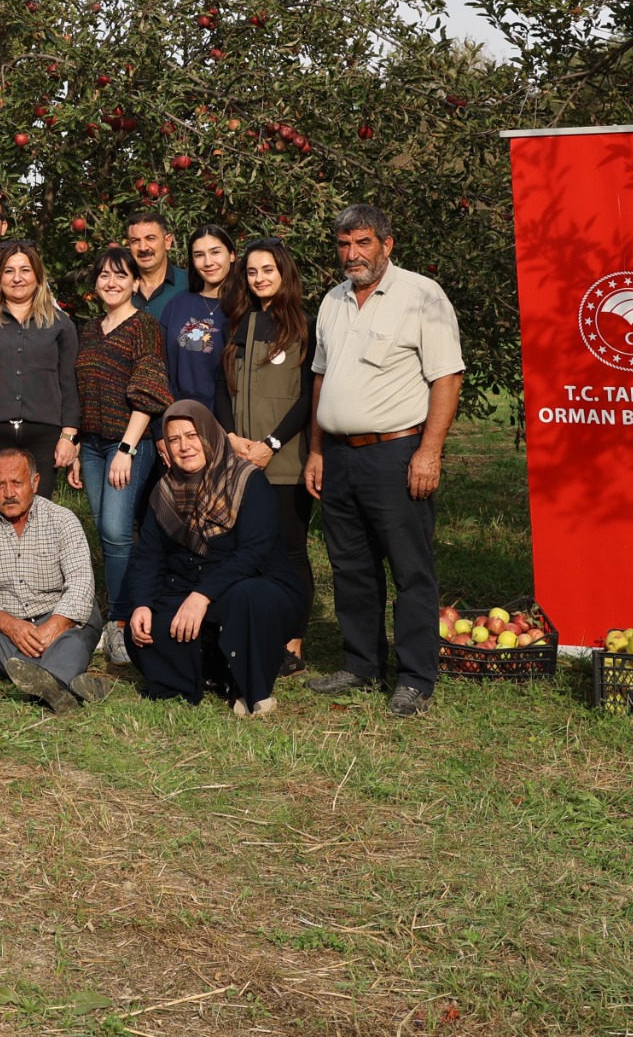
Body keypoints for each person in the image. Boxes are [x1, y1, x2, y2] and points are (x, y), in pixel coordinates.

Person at [303, 203, 464, 718]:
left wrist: (429, 452)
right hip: (341, 457)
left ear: (387, 244)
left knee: (410, 569)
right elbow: (321, 380)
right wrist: (315, 450)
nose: (352, 254)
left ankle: (416, 676)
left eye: (363, 243)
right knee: (351, 566)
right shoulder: (332, 300)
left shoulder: (421, 295)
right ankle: (362, 663)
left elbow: (447, 378)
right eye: (344, 244)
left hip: (397, 451)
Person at [119, 400, 306, 713]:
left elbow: (253, 554)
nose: (185, 447)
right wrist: (141, 604)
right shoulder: (163, 491)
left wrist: (201, 596)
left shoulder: (247, 480)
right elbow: (149, 557)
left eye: (192, 435)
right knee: (143, 629)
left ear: (208, 434)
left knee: (247, 598)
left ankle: (251, 688)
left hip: (252, 583)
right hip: (188, 585)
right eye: (175, 439)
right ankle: (209, 676)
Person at [214, 238, 318, 673]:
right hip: (240, 461)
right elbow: (222, 388)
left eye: (268, 270)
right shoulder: (239, 321)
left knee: (290, 550)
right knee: (248, 550)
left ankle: (293, 642)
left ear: (285, 273)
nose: (259, 278)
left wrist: (272, 444)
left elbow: (308, 397)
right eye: (253, 271)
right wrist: (233, 438)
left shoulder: (305, 324)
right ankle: (261, 635)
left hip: (286, 460)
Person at [67, 246, 173, 662]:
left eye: (121, 276)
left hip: (128, 443)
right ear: (95, 284)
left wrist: (127, 449)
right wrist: (76, 447)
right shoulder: (88, 330)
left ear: (134, 283)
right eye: (104, 276)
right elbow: (78, 390)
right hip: (92, 445)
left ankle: (121, 623)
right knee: (106, 533)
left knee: (115, 530)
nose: (112, 283)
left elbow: (149, 392)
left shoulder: (144, 326)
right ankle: (114, 615)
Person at [0, 447, 107, 713]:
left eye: (17, 483)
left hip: (62, 617)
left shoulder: (63, 520)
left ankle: (42, 683)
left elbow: (81, 583)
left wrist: (56, 625)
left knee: (75, 635)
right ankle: (67, 685)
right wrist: (11, 626)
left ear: (35, 483)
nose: (9, 493)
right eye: (0, 485)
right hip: (10, 624)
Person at [0, 240, 81, 500]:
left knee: (37, 513)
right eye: (9, 271)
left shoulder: (61, 325)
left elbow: (70, 385)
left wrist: (69, 436)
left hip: (44, 434)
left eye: (25, 270)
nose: (17, 278)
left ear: (38, 277)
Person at [162, 222, 236, 412]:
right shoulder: (177, 304)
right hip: (181, 416)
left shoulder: (245, 307)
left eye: (215, 252)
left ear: (232, 255)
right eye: (199, 255)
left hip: (230, 420)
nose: (208, 262)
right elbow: (160, 368)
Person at [121, 206, 189, 329]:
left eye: (150, 238)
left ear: (168, 242)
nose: (143, 248)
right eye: (135, 241)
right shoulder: (120, 287)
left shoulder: (190, 284)